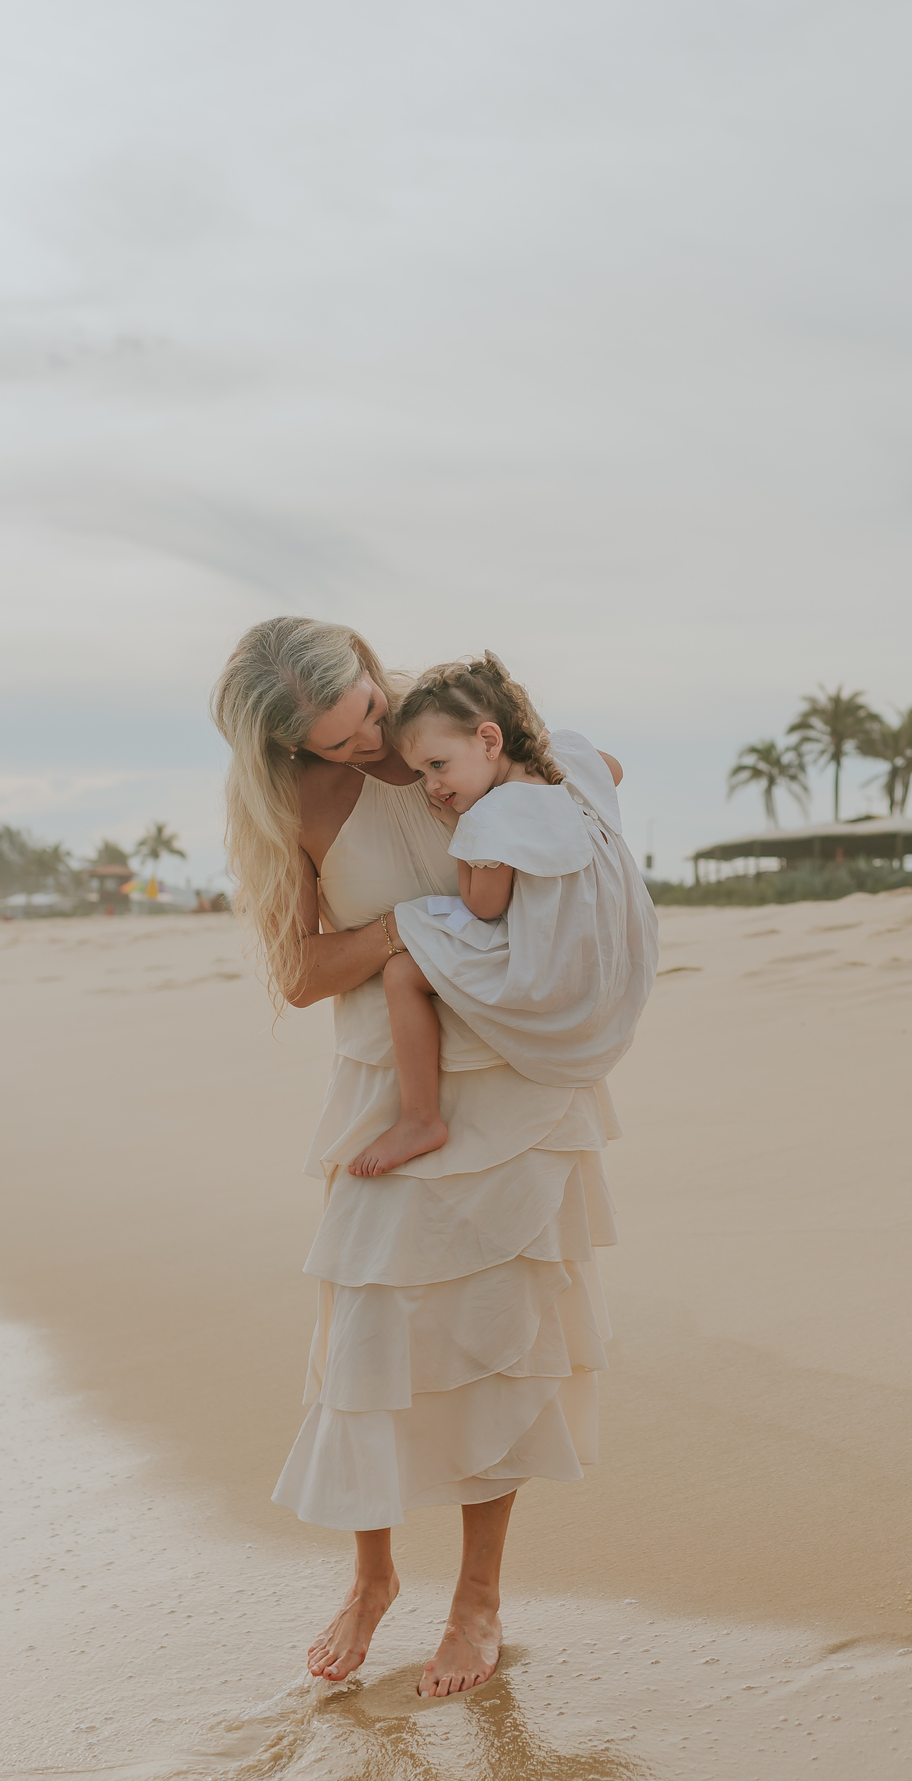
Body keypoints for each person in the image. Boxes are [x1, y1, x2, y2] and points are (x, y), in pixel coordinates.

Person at [211, 617, 653, 1699]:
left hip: (515, 1081)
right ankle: (372, 1580)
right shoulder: (293, 803)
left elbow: (582, 793)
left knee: (500, 1346)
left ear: (374, 669)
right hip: (390, 1087)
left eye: (366, 713)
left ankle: (479, 1599)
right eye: (333, 742)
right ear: (286, 750)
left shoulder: (444, 730)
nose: (365, 747)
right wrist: (421, 923)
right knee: (367, 1339)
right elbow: (303, 973)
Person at [347, 653, 657, 1177]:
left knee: (402, 972)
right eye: (423, 773)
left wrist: (458, 831)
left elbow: (482, 906)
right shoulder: (569, 757)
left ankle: (421, 1117)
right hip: (618, 949)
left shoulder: (491, 816)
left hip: (553, 970)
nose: (432, 787)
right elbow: (615, 769)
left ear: (490, 742)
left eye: (438, 765)